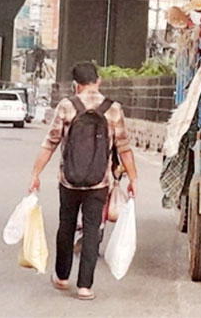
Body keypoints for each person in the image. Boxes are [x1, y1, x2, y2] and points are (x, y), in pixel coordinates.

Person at [29, 62, 137, 300]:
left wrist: (35, 174)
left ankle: (61, 276)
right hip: (100, 182)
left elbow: (50, 142)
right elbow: (124, 148)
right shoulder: (113, 109)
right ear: (98, 81)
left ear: (75, 85)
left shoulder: (67, 106)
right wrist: (133, 179)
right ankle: (85, 286)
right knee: (91, 231)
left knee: (66, 226)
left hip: (69, 181)